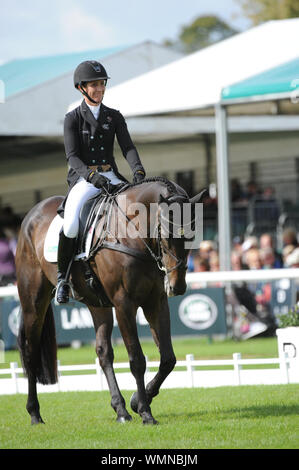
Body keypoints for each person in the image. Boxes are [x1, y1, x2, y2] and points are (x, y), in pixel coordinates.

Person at [56, 60, 146, 303]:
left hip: (111, 175)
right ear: (81, 88)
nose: (99, 89)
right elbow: (72, 157)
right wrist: (93, 177)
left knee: (137, 210)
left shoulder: (114, 116)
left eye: (102, 84)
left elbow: (128, 147)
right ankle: (62, 279)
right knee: (71, 224)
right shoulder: (73, 118)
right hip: (85, 179)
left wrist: (137, 170)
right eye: (94, 85)